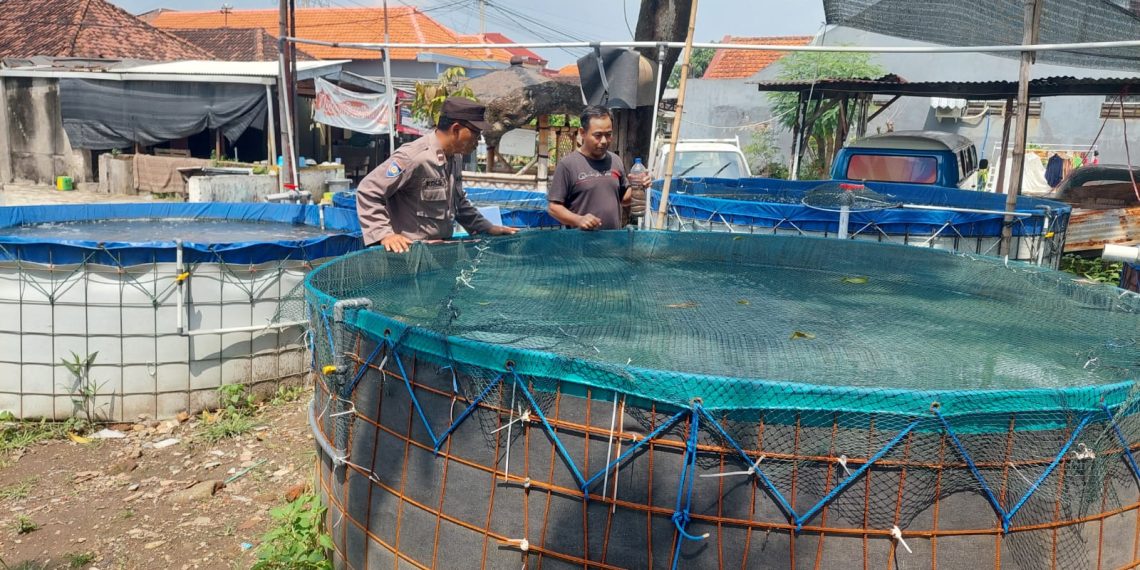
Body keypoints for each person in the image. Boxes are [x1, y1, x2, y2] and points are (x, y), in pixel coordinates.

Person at [356, 97, 517, 252]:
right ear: (456, 129)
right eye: (475, 133)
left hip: (438, 254)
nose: (478, 141)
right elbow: (368, 190)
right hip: (407, 256)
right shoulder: (414, 157)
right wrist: (385, 234)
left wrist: (487, 227)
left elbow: (458, 204)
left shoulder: (455, 157)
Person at [547, 106, 650, 230]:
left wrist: (638, 186)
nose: (604, 141)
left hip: (612, 244)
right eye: (597, 135)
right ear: (582, 133)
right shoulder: (568, 165)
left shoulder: (615, 160)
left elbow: (624, 200)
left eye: (608, 135)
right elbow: (553, 208)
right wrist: (579, 219)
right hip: (580, 245)